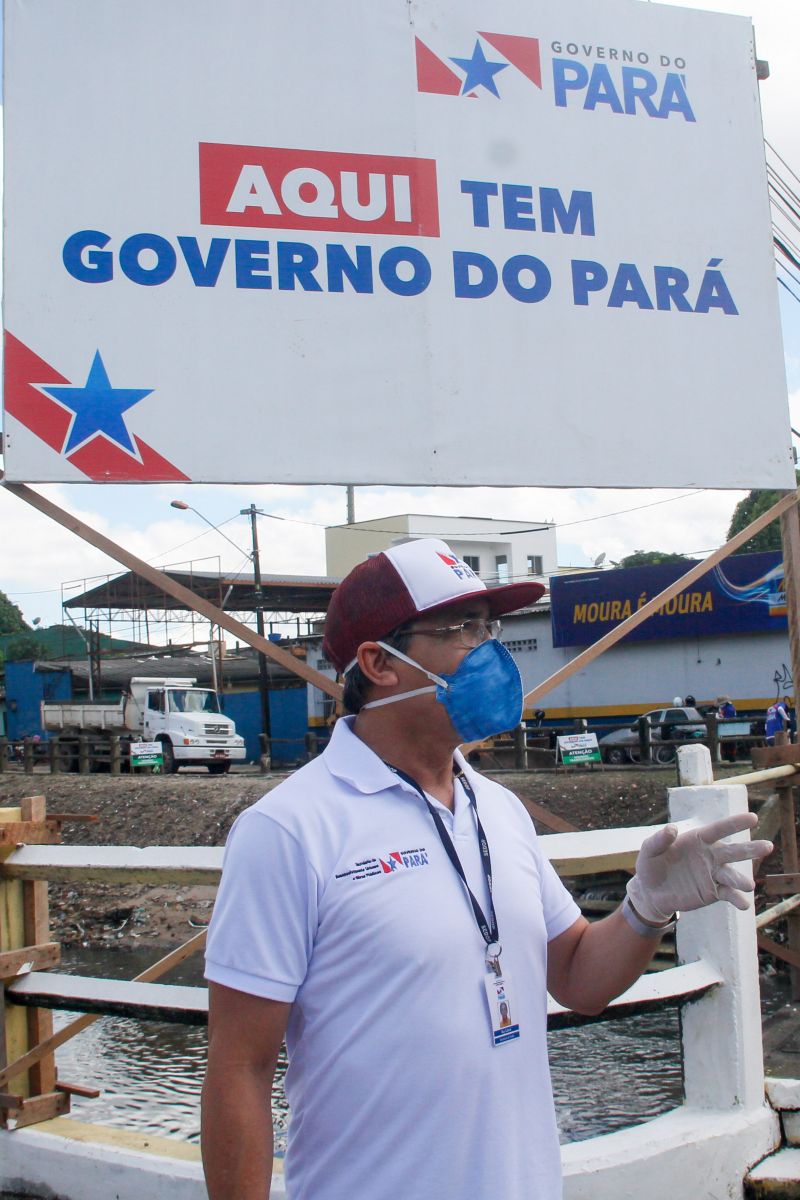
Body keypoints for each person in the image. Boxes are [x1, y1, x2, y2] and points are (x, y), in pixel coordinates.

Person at [201, 538, 771, 1200]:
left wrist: (646, 906)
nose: (491, 651)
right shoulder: (290, 831)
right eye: (462, 630)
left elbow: (579, 978)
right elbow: (240, 1067)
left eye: (487, 626)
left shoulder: (497, 810)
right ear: (377, 663)